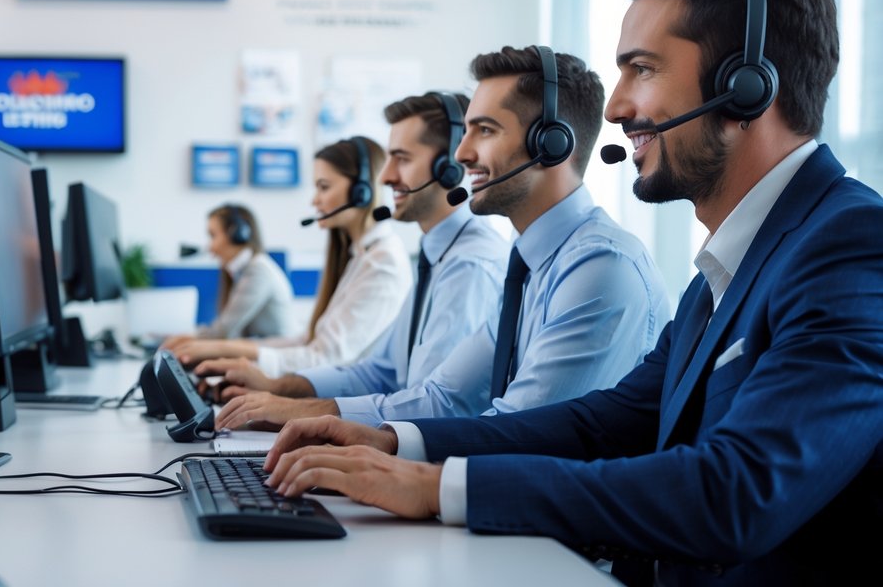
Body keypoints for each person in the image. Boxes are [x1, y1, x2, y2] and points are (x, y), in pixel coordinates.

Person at [263, 0, 883, 586]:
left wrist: (441, 487)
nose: (615, 108)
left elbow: (736, 494)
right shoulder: (722, 274)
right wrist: (396, 444)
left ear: (744, 85)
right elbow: (604, 424)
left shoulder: (851, 246)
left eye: (641, 69)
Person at [213, 48, 668, 430]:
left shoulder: (596, 268)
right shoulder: (527, 265)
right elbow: (438, 394)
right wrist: (288, 401)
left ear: (550, 143)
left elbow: (518, 432)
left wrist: (330, 427)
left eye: (484, 130)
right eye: (466, 130)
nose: (464, 153)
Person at [194, 92, 508, 425]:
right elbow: (381, 372)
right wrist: (278, 387)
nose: (385, 178)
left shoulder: (469, 265)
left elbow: (436, 407)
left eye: (401, 158)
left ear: (449, 167)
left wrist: (293, 409)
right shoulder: (435, 254)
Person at [167, 137, 410, 376]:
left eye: (323, 187)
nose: (314, 200)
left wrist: (227, 352)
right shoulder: (359, 257)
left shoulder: (382, 263)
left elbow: (325, 358)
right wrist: (229, 352)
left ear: (362, 193)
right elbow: (309, 341)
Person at [163, 204, 293, 342]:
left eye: (213, 236)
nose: (210, 247)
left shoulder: (258, 271)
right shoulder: (242, 270)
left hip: (275, 355)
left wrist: (183, 338)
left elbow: (221, 332)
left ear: (237, 234)